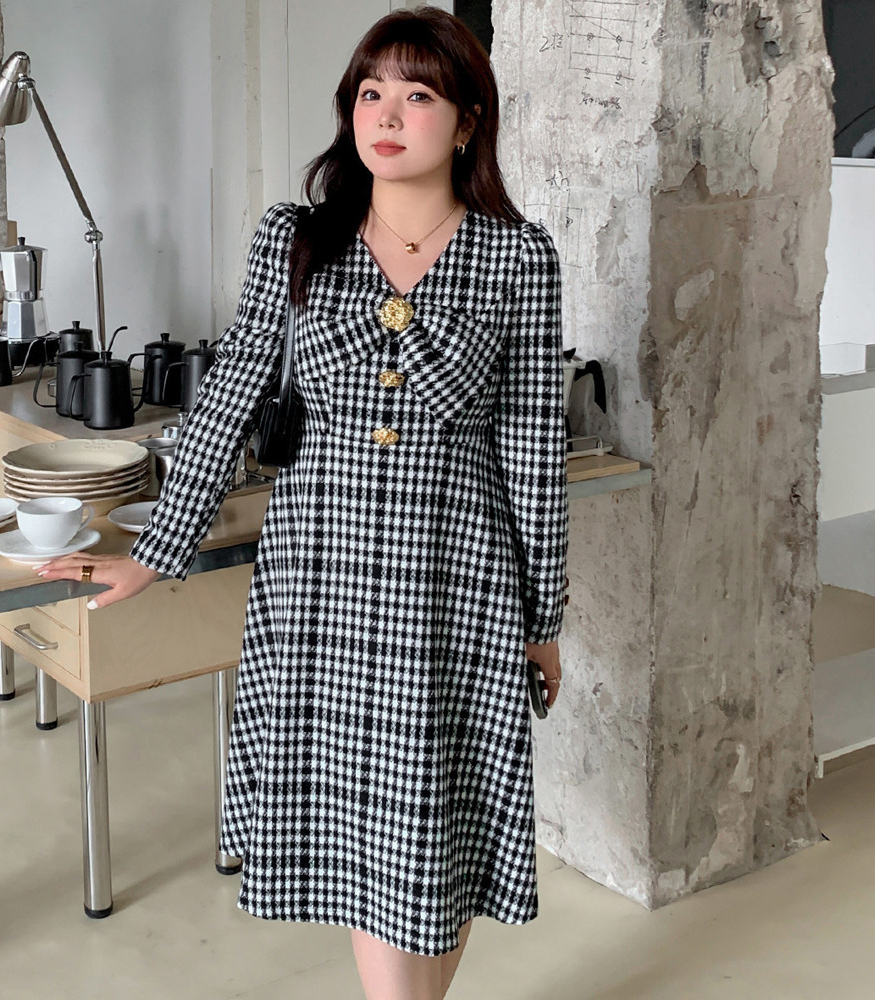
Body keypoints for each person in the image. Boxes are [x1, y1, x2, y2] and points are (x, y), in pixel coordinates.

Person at [35, 7, 568, 999]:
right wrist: (157, 550)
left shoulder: (516, 256)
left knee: (439, 817)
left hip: (455, 574)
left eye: (418, 94)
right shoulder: (297, 239)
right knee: (360, 828)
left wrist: (542, 620)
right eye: (370, 92)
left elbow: (531, 447)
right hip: (320, 570)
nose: (387, 115)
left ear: (467, 122)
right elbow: (232, 394)